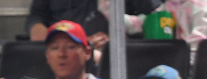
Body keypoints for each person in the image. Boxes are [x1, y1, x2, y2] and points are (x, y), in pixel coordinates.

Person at [27, 0, 159, 45]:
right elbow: (36, 25)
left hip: (118, 56)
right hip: (66, 55)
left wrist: (118, 41)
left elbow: (155, 21)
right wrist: (81, 43)